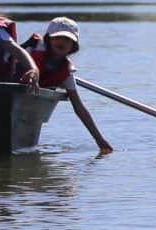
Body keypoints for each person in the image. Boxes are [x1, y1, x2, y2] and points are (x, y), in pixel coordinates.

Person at [23, 16, 113, 154]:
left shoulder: (66, 72)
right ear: (48, 39)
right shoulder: (29, 52)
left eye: (67, 39)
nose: (62, 42)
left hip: (30, 109)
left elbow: (79, 107)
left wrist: (99, 140)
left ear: (73, 45)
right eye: (57, 37)